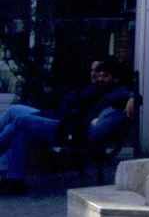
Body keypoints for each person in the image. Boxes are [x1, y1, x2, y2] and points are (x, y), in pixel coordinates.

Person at [0, 61, 135, 196]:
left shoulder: (115, 92)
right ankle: (16, 182)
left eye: (105, 76)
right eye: (99, 75)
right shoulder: (100, 89)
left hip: (69, 133)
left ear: (115, 78)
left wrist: (132, 98)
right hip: (66, 127)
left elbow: (129, 94)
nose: (100, 79)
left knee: (20, 120)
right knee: (20, 134)